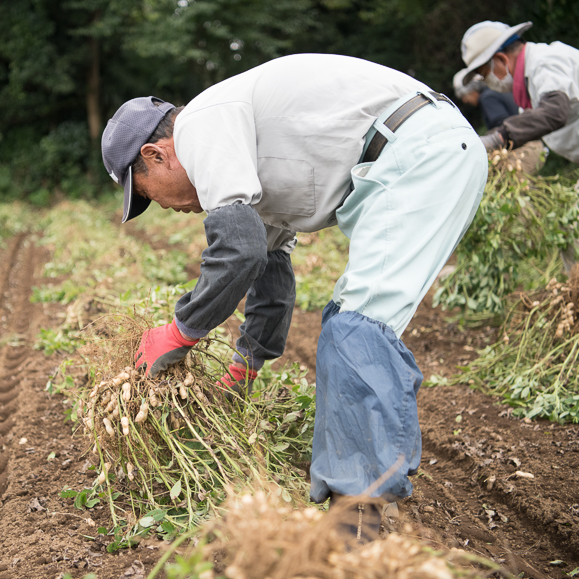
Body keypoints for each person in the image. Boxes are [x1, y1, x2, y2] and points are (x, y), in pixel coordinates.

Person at [102, 54, 487, 539]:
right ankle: (362, 504)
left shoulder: (201, 123)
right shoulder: (241, 157)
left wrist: (179, 332)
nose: (166, 207)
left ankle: (360, 522)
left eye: (151, 195)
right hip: (415, 157)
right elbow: (268, 273)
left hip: (420, 155)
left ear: (157, 156)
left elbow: (237, 252)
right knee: (354, 321)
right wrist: (247, 363)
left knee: (356, 330)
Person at [458, 20, 579, 161]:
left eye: (485, 73)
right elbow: (531, 124)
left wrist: (498, 139)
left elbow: (554, 111)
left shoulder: (544, 62)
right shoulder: (528, 86)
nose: (486, 81)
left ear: (502, 59)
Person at [453, 70, 519, 130]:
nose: (465, 100)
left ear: (473, 88)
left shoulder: (487, 98)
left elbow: (502, 126)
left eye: (464, 96)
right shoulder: (495, 89)